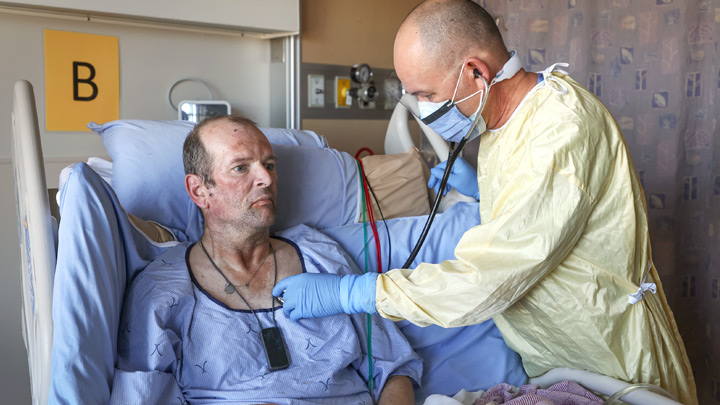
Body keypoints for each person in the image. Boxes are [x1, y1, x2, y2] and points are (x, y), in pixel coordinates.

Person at [273, 0, 698, 403]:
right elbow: (539, 215)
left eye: (426, 94)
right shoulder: (503, 122)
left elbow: (484, 278)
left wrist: (354, 291)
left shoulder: (559, 131)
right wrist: (482, 193)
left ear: (475, 71)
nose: (423, 109)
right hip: (553, 356)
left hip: (605, 353)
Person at [110, 115, 421, 404]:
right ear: (199, 190)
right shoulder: (162, 291)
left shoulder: (320, 254)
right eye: (241, 167)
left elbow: (394, 367)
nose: (266, 179)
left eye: (269, 165)